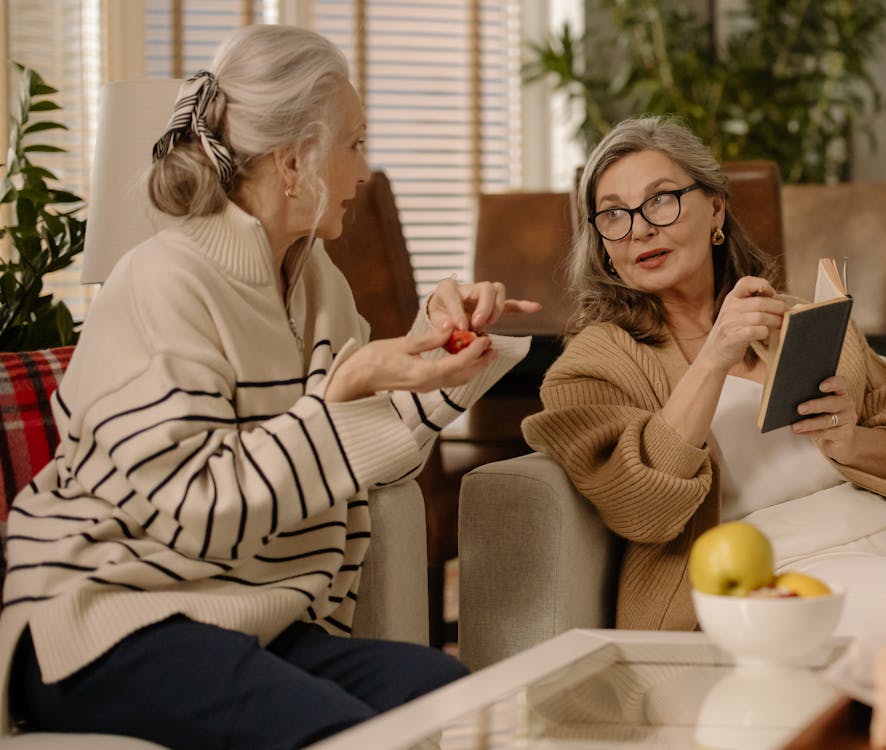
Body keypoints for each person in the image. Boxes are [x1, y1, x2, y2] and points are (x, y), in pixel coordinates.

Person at [0, 24, 539, 749]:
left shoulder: (318, 282)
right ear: (293, 161)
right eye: (353, 144)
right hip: (108, 616)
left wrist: (452, 355)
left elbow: (367, 452)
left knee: (461, 705)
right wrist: (340, 395)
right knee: (338, 734)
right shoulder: (162, 280)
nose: (363, 171)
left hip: (246, 618)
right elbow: (192, 509)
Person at [522, 114, 886, 644]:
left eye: (661, 200)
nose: (641, 228)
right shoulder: (595, 364)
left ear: (715, 212)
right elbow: (639, 506)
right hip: (776, 566)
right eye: (613, 215)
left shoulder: (796, 320)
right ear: (602, 246)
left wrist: (850, 441)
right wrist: (713, 355)